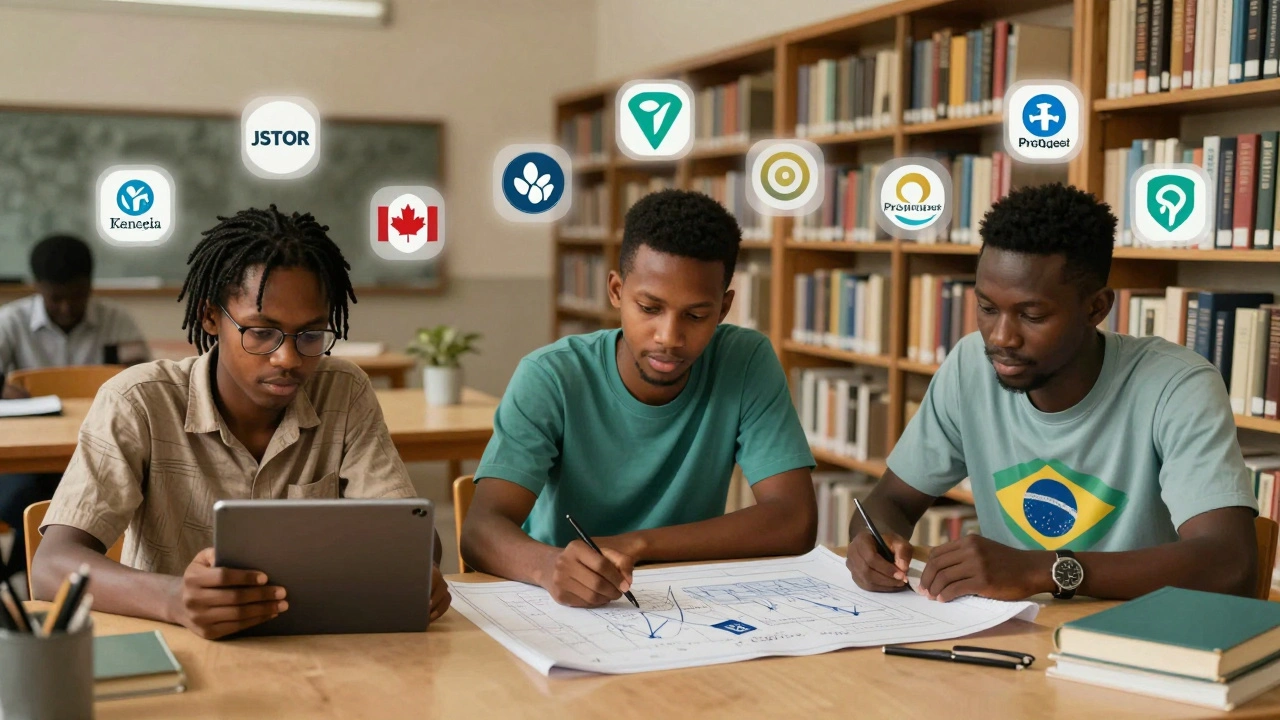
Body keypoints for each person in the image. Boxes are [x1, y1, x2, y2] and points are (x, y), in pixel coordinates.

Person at [33, 206, 450, 639]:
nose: (287, 358)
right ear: (210, 317)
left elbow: (407, 528)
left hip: (319, 650)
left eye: (310, 334)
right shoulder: (139, 401)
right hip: (180, 649)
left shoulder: (343, 391)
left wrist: (423, 569)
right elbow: (51, 565)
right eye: (261, 331)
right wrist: (174, 599)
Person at [846, 183, 1258, 602]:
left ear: (1096, 308)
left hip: (1138, 644)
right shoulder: (970, 364)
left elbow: (1229, 564)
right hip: (1014, 637)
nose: (1001, 337)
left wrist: (1047, 569)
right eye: (987, 308)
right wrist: (872, 542)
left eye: (1032, 315)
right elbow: (890, 500)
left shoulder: (1177, 385)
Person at [461, 189, 817, 608]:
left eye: (696, 316)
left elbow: (794, 520)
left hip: (689, 601)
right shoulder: (551, 376)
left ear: (723, 309)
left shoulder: (745, 360)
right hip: (566, 604)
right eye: (649, 307)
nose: (669, 336)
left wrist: (638, 543)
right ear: (616, 290)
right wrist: (548, 566)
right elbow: (481, 529)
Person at [0, 234, 151, 579]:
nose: (67, 307)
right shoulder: (10, 322)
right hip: (24, 461)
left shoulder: (116, 320)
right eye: (56, 298)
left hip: (97, 451)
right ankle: (35, 574)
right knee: (33, 498)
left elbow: (141, 383)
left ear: (90, 286)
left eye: (77, 296)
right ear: (37, 287)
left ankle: (25, 575)